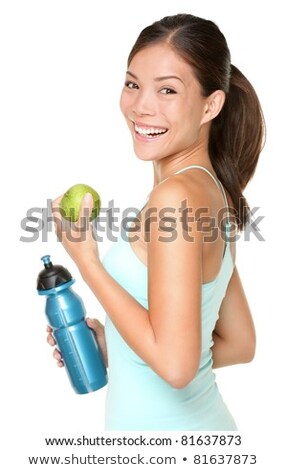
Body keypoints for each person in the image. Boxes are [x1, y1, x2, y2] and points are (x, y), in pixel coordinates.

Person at [47, 13, 265, 430]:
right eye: (133, 84)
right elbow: (238, 342)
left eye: (167, 90)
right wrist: (123, 349)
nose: (141, 106)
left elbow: (178, 366)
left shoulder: (176, 199)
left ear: (211, 105)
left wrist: (86, 260)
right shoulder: (212, 192)